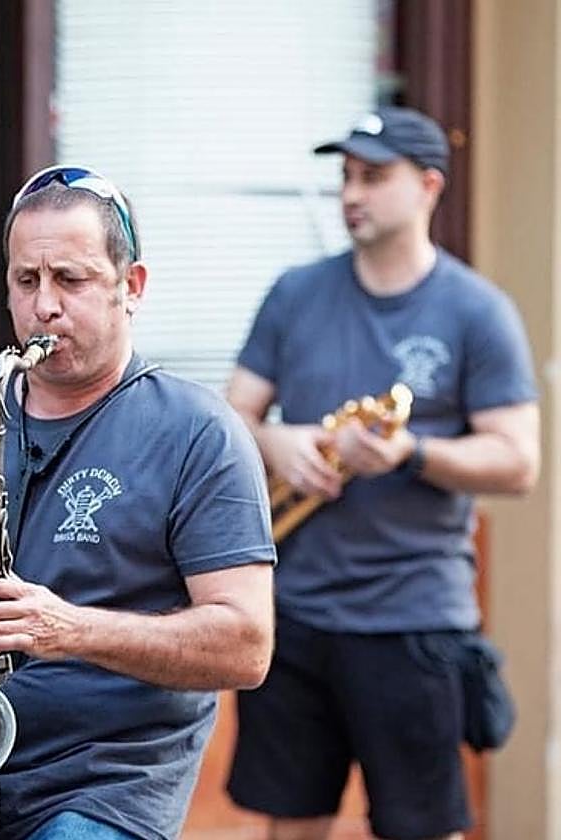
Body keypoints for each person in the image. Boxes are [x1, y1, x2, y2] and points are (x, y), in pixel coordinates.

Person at [0, 165, 277, 840]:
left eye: (71, 279)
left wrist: (69, 631)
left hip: (107, 788)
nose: (44, 306)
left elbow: (246, 644)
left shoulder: (198, 431)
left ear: (132, 287)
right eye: (25, 281)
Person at [225, 106, 540, 840]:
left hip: (414, 622)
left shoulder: (477, 311)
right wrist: (279, 442)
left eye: (373, 177)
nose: (351, 194)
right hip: (293, 614)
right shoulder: (294, 294)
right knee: (290, 824)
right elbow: (233, 416)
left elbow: (519, 460)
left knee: (423, 828)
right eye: (344, 177)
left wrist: (414, 453)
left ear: (429, 186)